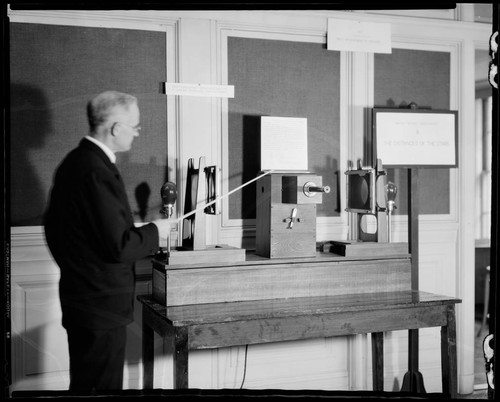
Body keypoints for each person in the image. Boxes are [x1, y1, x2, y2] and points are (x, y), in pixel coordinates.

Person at [44, 90, 172, 394]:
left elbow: (57, 231)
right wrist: (157, 230)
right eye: (136, 127)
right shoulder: (94, 170)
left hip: (87, 300)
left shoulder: (77, 162)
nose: (138, 134)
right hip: (100, 306)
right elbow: (120, 246)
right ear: (116, 128)